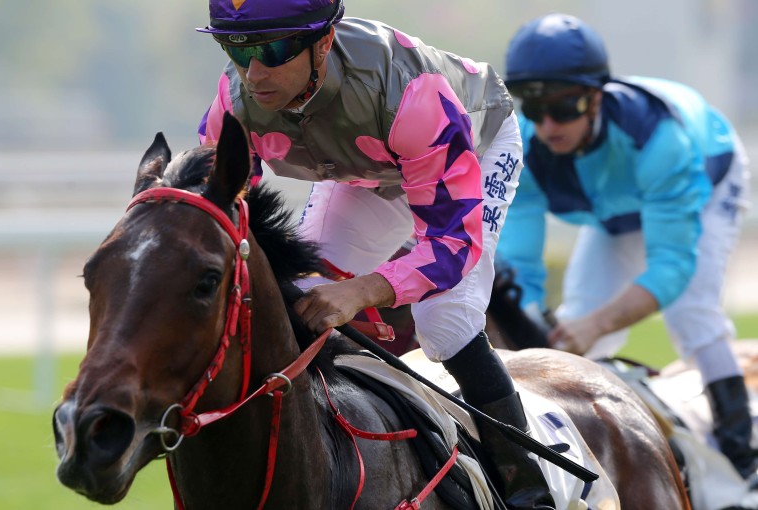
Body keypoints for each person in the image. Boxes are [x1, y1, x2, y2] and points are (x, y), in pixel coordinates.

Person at [195, 1, 553, 507]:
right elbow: (225, 213)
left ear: (323, 41)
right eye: (234, 49)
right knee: (307, 296)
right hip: (366, 170)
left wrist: (363, 291)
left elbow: (449, 245)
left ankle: (528, 488)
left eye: (272, 50)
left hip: (470, 144)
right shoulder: (232, 103)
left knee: (445, 319)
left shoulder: (411, 94)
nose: (253, 73)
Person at [496, 12, 757, 484]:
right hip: (620, 203)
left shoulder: (661, 143)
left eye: (565, 106)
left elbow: (671, 269)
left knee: (690, 311)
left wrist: (596, 324)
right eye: (534, 110)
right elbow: (520, 270)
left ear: (596, 96)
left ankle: (745, 452)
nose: (549, 126)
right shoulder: (525, 149)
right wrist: (531, 328)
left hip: (705, 179)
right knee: (580, 311)